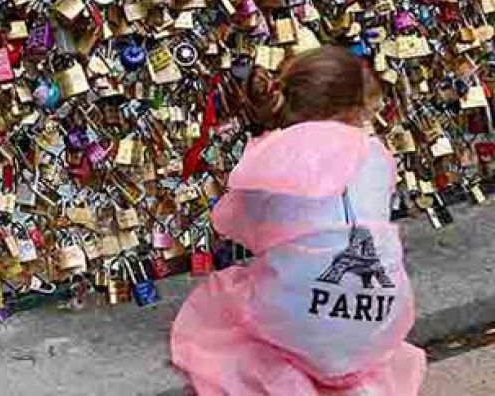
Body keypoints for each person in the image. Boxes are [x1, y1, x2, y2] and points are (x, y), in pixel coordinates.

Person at [171, 46, 424, 396]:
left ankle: (300, 357)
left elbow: (234, 225)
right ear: (355, 110)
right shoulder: (376, 154)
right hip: (378, 327)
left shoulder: (271, 154)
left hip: (298, 319)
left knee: (228, 293)